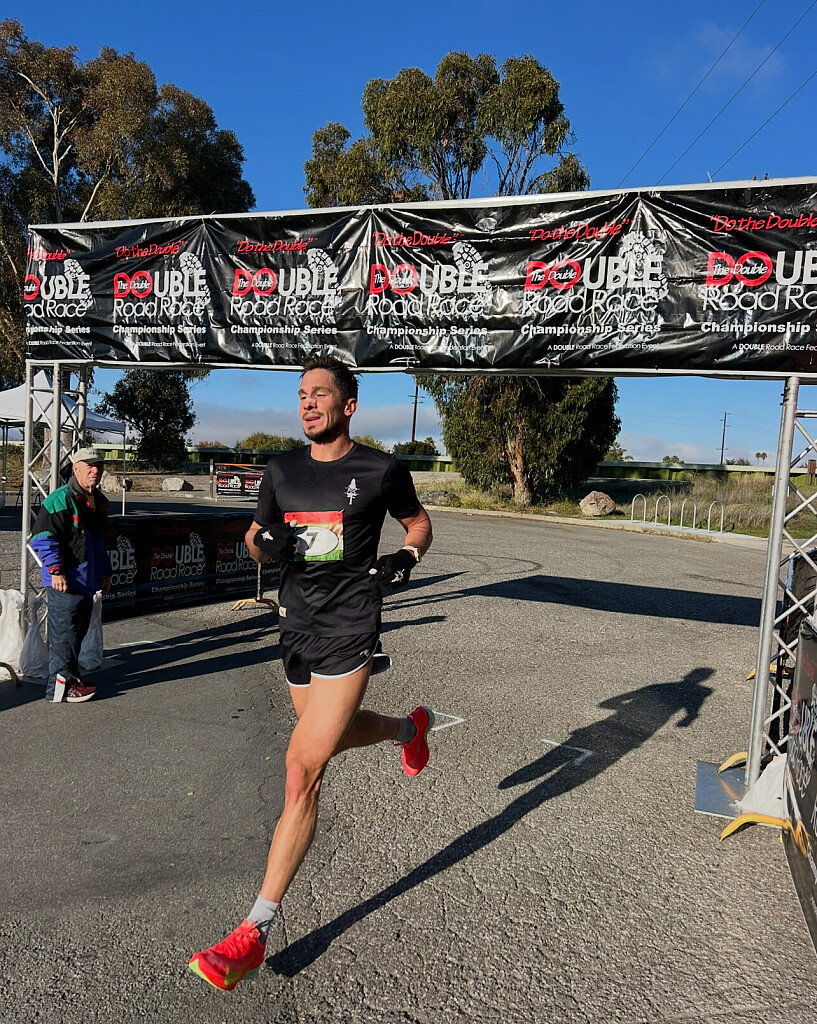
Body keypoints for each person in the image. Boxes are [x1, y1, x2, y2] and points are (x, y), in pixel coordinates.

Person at [188, 356, 433, 991]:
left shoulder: (381, 469)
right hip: (295, 625)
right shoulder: (281, 470)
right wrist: (262, 544)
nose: (308, 403)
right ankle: (408, 729)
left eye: (320, 394)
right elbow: (254, 536)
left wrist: (406, 557)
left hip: (351, 627)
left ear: (348, 406)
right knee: (331, 735)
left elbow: (418, 523)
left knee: (302, 768)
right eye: (301, 394)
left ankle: (253, 931)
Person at [31, 447, 112, 703]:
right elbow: (42, 538)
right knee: (64, 638)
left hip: (86, 582)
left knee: (75, 635)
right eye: (89, 465)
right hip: (65, 581)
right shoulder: (60, 499)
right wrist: (55, 570)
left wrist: (105, 572)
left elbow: (100, 543)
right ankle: (59, 690)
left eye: (99, 466)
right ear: (75, 468)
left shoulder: (98, 501)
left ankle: (72, 680)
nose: (95, 470)